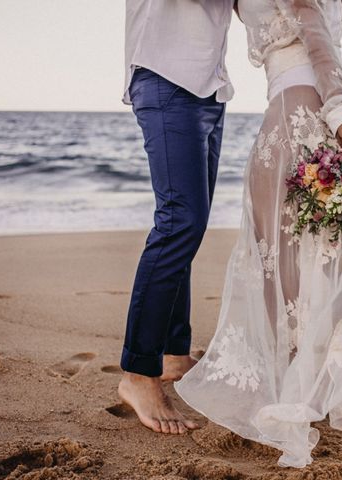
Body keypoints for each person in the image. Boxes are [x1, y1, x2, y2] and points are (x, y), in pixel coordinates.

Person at [175, 0, 342, 468]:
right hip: (314, 108)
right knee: (312, 255)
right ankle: (310, 383)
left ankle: (297, 382)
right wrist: (340, 110)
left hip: (297, 108)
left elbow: (320, 24)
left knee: (286, 258)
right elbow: (318, 23)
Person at [117, 0, 235, 435]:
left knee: (190, 225)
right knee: (179, 223)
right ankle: (137, 373)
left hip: (208, 86)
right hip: (166, 76)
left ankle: (173, 354)